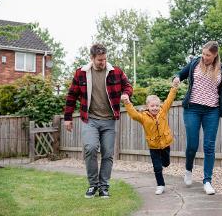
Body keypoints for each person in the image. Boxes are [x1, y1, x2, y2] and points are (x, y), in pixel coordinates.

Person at [172, 41, 222, 195]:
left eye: (208, 55)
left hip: (212, 111)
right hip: (192, 109)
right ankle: (188, 170)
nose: (205, 57)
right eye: (203, 54)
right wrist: (176, 78)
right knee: (192, 144)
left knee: (209, 146)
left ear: (215, 55)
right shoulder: (195, 63)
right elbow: (180, 74)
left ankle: (207, 181)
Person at [64, 43, 133, 199]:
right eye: (99, 60)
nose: (102, 62)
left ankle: (104, 187)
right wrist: (67, 118)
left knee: (108, 154)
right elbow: (71, 96)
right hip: (90, 120)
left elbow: (128, 86)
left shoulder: (115, 72)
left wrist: (127, 94)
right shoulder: (81, 73)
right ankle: (93, 185)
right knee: (90, 148)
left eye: (104, 59)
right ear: (92, 58)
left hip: (109, 120)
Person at [121, 81, 179, 195]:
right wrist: (127, 103)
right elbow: (133, 114)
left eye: (157, 106)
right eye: (152, 106)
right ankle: (160, 185)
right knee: (157, 167)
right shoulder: (143, 117)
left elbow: (169, 99)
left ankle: (164, 164)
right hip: (154, 147)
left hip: (166, 143)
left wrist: (174, 87)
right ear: (147, 106)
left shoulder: (163, 111)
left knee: (166, 163)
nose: (155, 108)